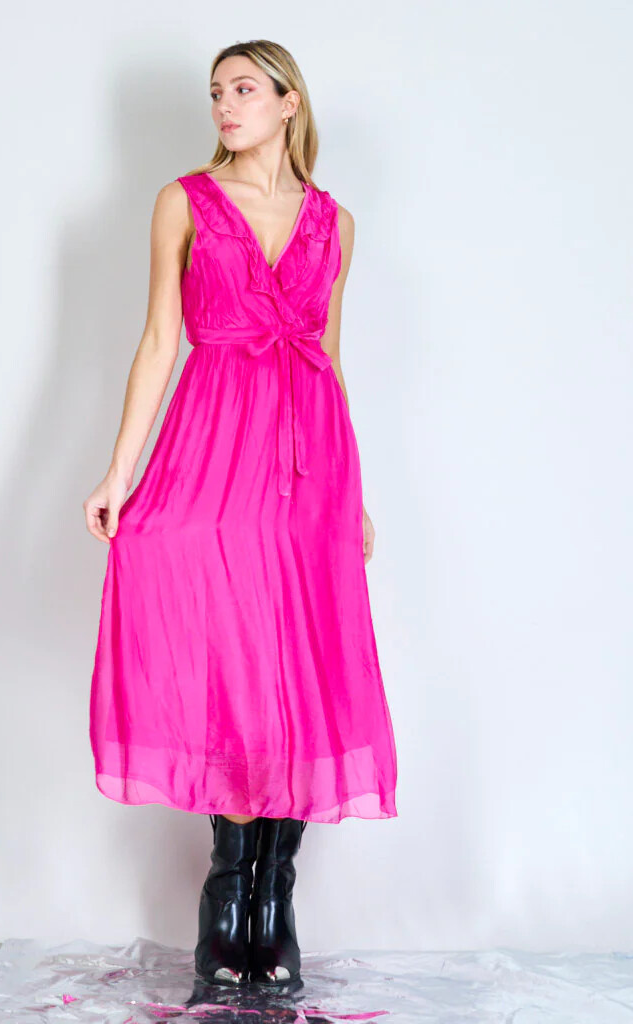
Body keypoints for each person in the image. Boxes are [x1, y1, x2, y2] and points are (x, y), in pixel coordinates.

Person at [84, 39, 399, 988]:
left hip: (311, 464)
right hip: (214, 444)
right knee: (234, 657)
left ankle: (274, 899)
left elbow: (330, 361)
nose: (225, 105)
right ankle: (228, 892)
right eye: (216, 91)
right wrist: (118, 474)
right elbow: (157, 342)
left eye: (245, 89)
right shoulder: (183, 201)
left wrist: (355, 496)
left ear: (289, 102)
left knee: (302, 665)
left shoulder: (336, 225)